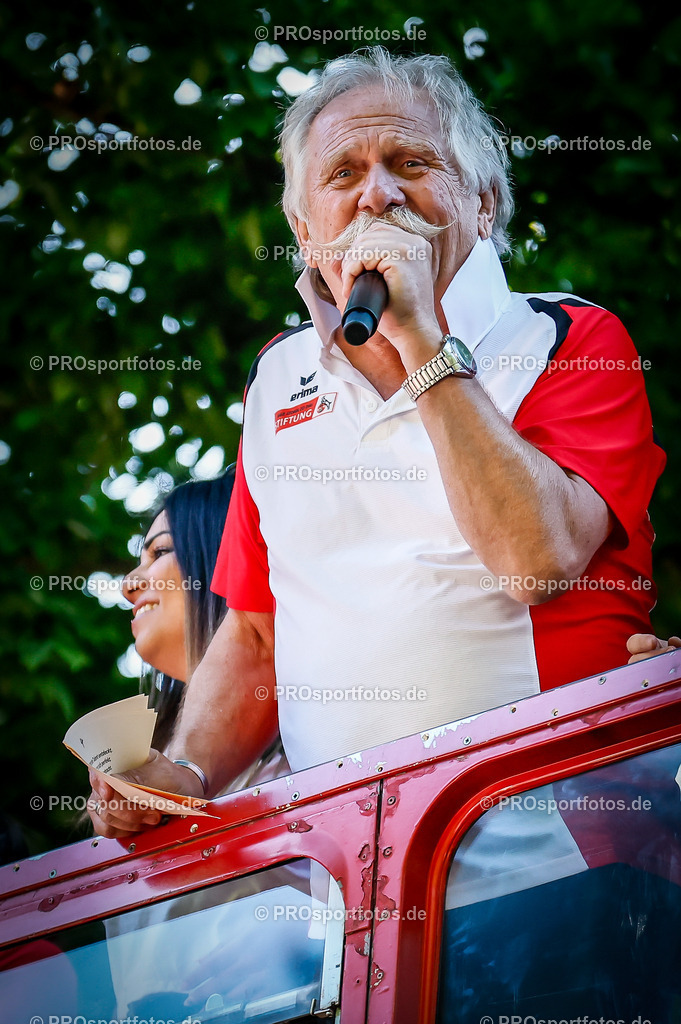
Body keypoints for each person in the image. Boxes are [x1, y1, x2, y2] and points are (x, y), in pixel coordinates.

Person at [90, 47, 665, 837]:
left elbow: (535, 559)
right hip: (342, 869)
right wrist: (184, 769)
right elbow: (256, 631)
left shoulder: (568, 337)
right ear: (304, 232)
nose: (378, 195)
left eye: (410, 163)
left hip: (560, 839)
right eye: (343, 174)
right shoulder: (276, 376)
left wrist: (421, 340)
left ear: (483, 203)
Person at [88, 469, 287, 835]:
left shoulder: (310, 738)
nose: (128, 585)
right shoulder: (153, 762)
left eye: (160, 551)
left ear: (227, 559)